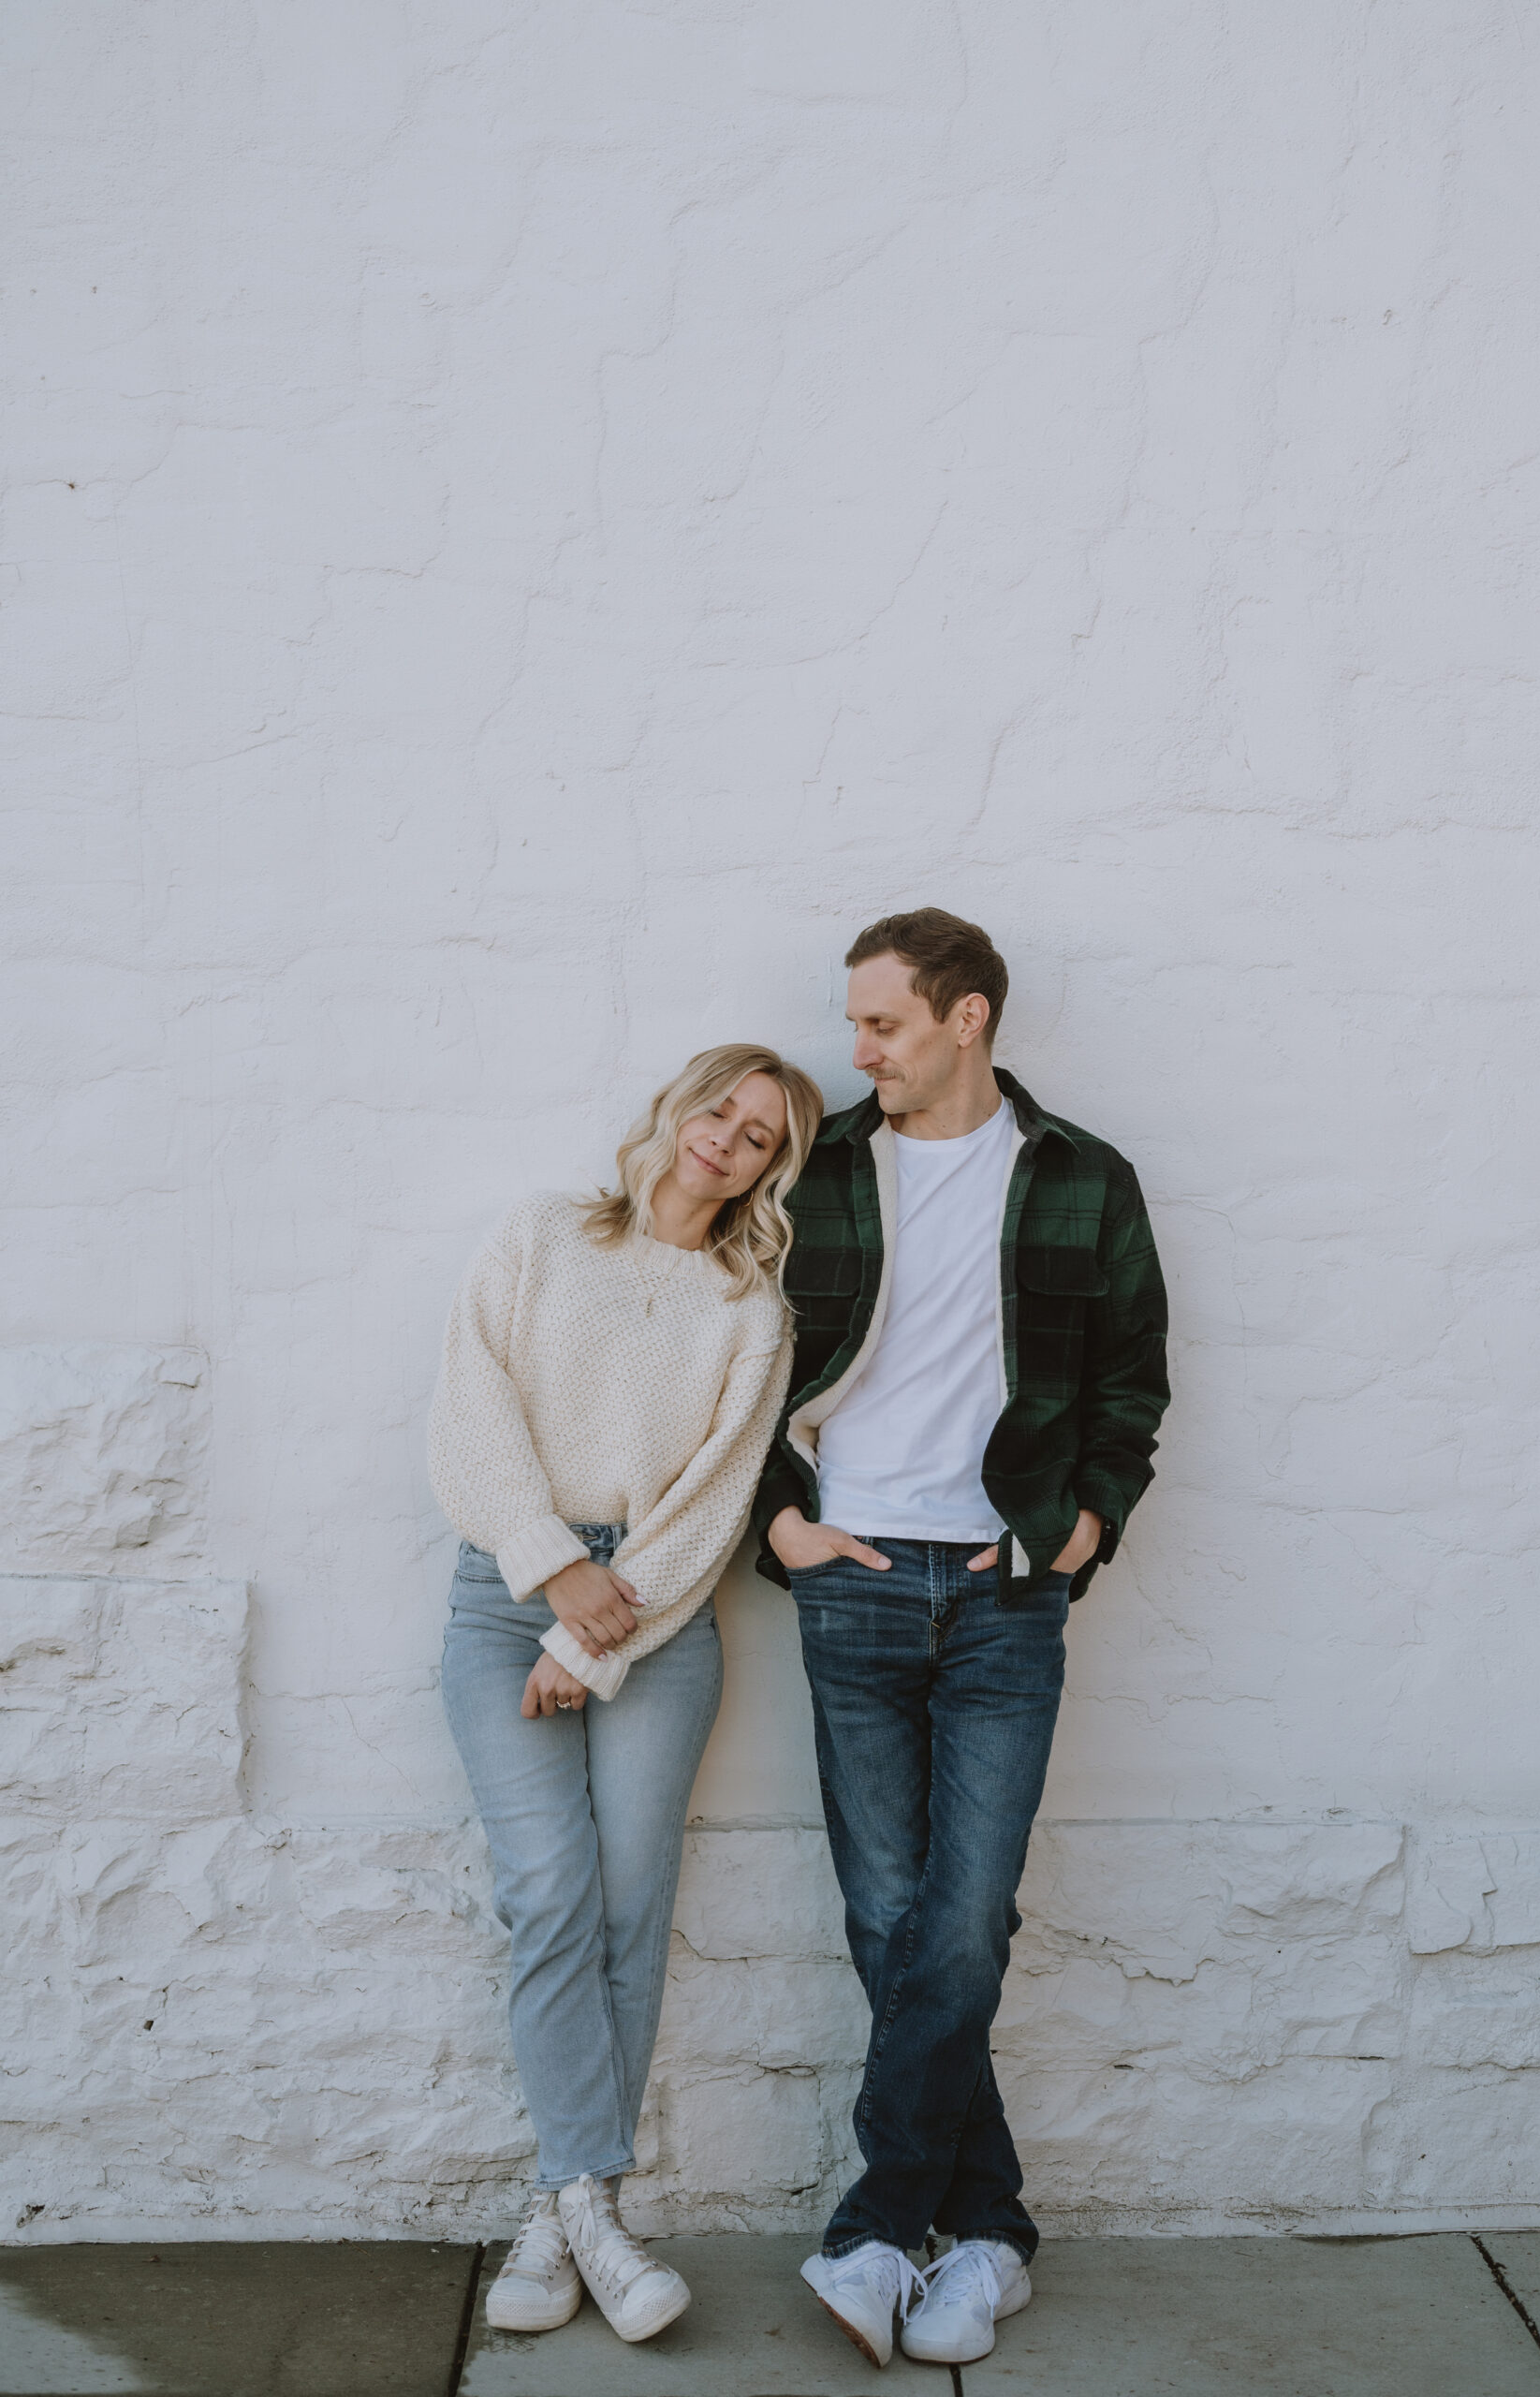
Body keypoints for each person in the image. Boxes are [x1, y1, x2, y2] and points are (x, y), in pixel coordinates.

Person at [754, 909, 1169, 2371]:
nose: (856, 1050)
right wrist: (780, 1524)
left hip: (1005, 1587)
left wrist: (1089, 1522)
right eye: (856, 1023)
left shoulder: (1081, 1179)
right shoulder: (819, 1172)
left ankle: (877, 2229)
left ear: (969, 1017)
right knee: (889, 1919)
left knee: (963, 1918)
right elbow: (730, 1358)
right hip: (853, 1575)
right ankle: (985, 2234)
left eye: (883, 1024)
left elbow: (1132, 1382)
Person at [429, 1043, 822, 2346]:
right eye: (719, 1108)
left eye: (759, 1135)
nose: (727, 1138)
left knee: (630, 1907)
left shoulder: (747, 1309)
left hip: (659, 1614)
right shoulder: (542, 1235)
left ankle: (563, 2212)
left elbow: (715, 1502)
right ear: (676, 1109)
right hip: (506, 1596)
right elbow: (469, 1410)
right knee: (548, 1890)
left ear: (774, 1168)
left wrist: (595, 1638)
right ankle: (589, 2207)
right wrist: (551, 1578)